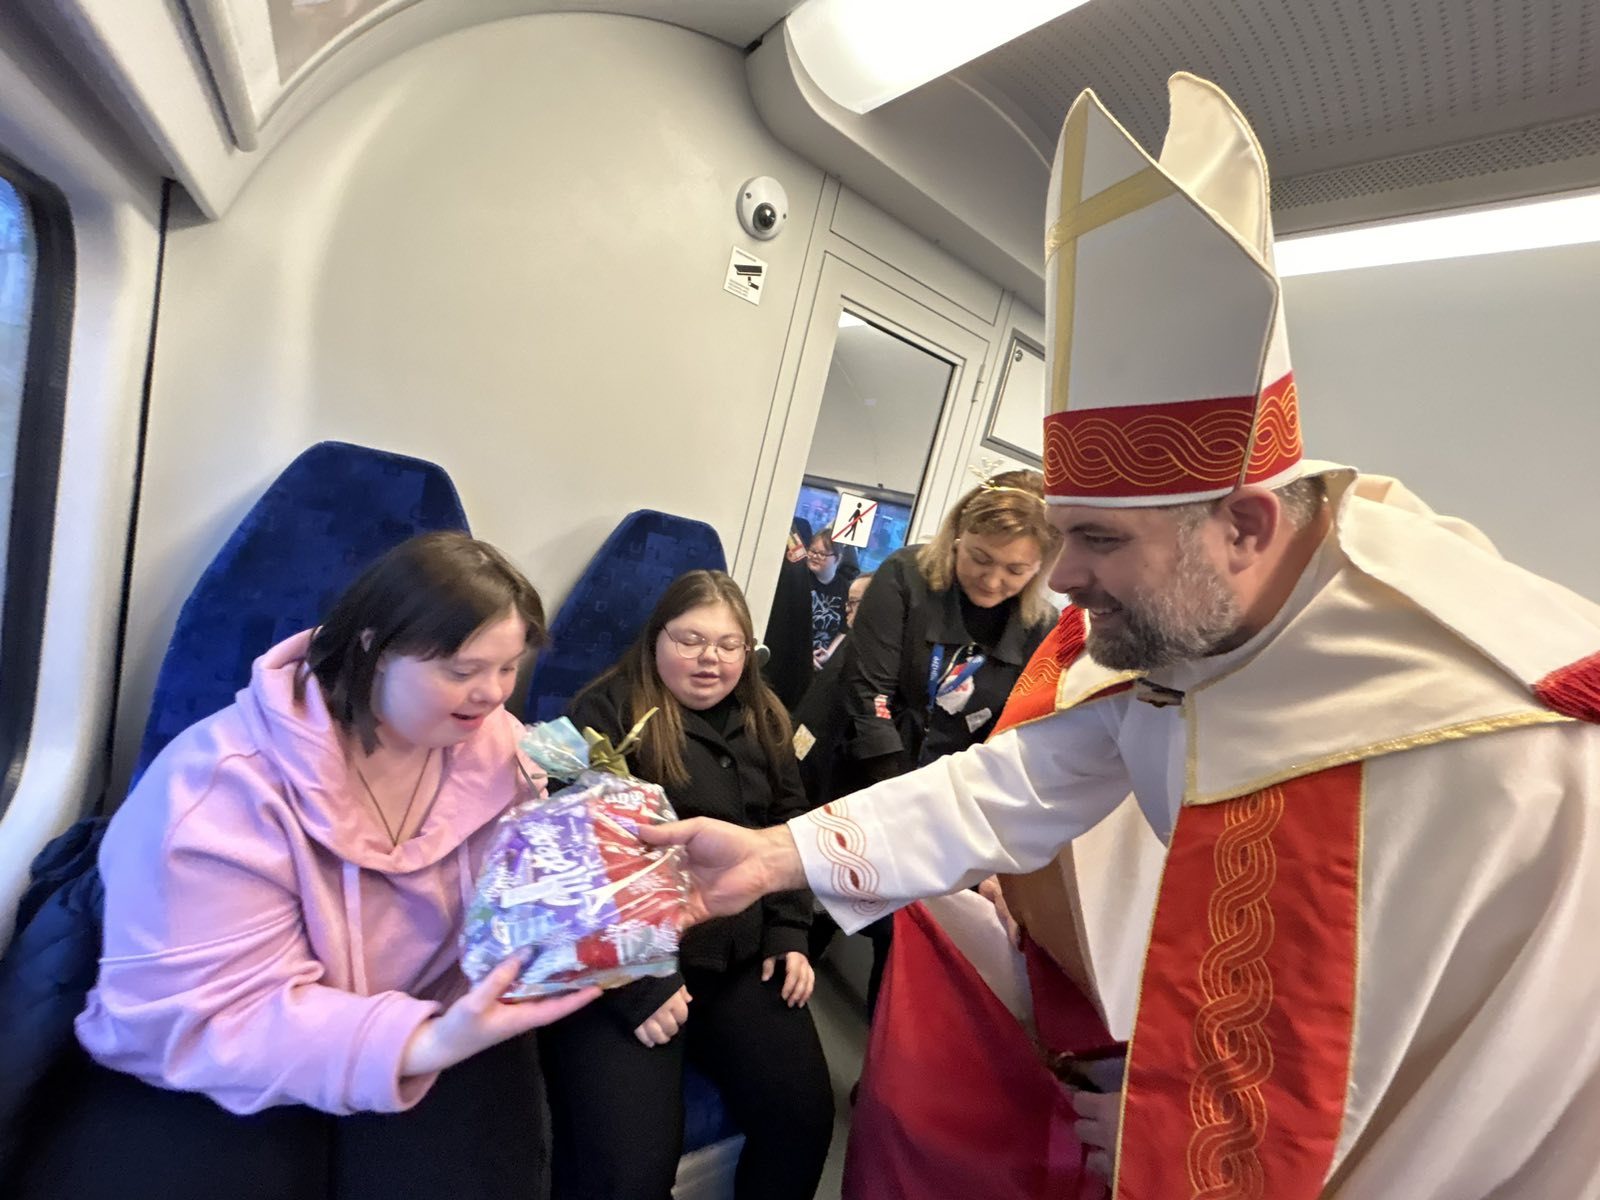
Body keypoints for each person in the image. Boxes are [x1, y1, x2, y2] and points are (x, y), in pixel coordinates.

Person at [640, 74, 1600, 1200]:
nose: (1060, 579)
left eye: (1096, 539)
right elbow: (1017, 782)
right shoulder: (1189, 621)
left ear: (1244, 526)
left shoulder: (1486, 733)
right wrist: (774, 856)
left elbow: (1456, 1067)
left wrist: (1170, 1119)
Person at [13, 531, 600, 1200]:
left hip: (432, 1016)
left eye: (508, 668)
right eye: (462, 671)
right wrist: (418, 1045)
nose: (491, 694)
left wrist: (649, 881)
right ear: (374, 645)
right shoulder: (221, 788)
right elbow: (208, 1017)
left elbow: (522, 891)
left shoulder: (506, 752)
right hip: (235, 1053)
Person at [539, 570, 833, 1200]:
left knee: (803, 1120)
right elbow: (574, 863)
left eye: (729, 645)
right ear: (656, 639)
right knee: (631, 1172)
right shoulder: (605, 712)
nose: (710, 660)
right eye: (691, 640)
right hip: (631, 964)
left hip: (738, 954)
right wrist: (638, 983)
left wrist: (789, 931)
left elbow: (787, 827)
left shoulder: (766, 715)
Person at [827, 471, 1061, 1014]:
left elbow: (1015, 736)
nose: (993, 579)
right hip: (867, 768)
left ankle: (883, 1046)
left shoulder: (1041, 626)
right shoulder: (906, 576)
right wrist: (906, 808)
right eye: (979, 558)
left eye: (1016, 570)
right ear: (957, 535)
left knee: (903, 936)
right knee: (817, 899)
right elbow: (869, 696)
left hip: (948, 795)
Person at [763, 529, 856, 708]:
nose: (814, 556)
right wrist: (805, 656)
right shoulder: (799, 580)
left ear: (837, 559)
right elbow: (788, 624)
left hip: (822, 661)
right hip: (793, 656)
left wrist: (829, 654)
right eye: (812, 551)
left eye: (822, 554)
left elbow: (845, 628)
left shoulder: (845, 589)